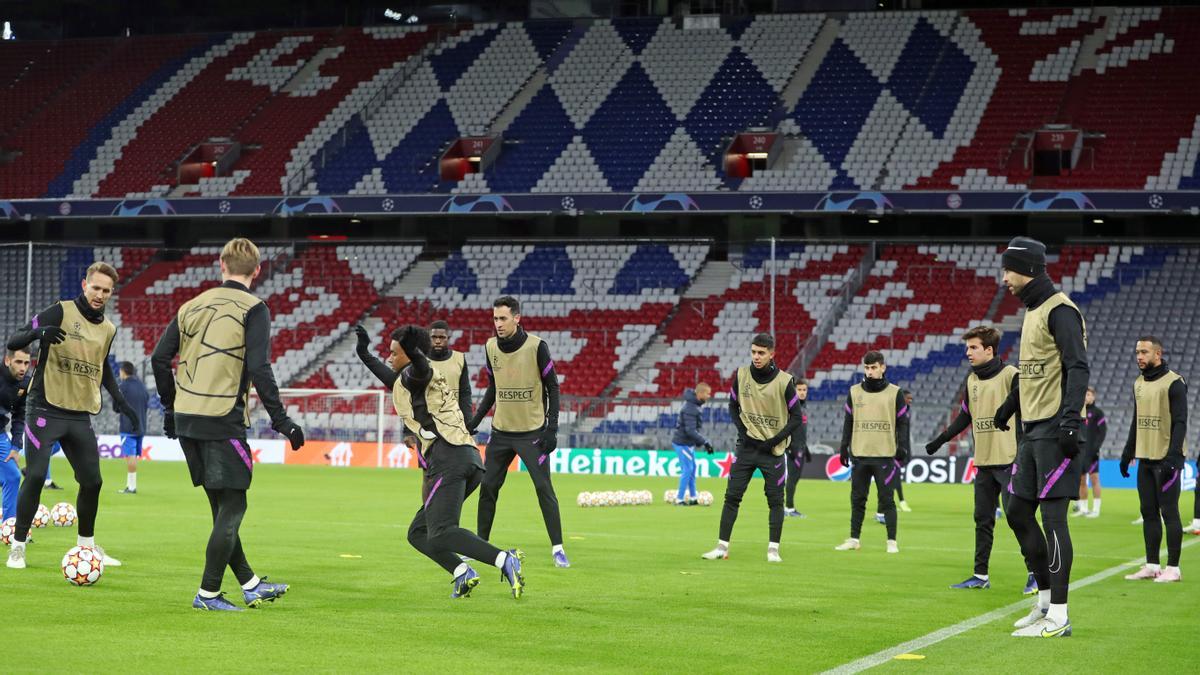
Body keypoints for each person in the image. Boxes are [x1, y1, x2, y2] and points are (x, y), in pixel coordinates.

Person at [151, 238, 305, 611]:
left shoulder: (191, 305)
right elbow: (258, 367)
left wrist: (171, 410)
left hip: (188, 418)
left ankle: (250, 584)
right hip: (222, 419)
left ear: (221, 265)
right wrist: (282, 421)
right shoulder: (254, 308)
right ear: (257, 270)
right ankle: (207, 593)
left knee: (221, 509)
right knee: (234, 507)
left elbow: (159, 358)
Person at [6, 262, 140, 570]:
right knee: (36, 475)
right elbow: (16, 339)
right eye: (96, 288)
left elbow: (103, 365)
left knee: (92, 481)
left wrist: (119, 399)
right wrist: (39, 332)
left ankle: (87, 548)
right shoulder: (60, 310)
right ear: (84, 284)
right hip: (45, 408)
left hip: (79, 414)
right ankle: (17, 547)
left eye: (106, 290)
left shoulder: (108, 328)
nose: (100, 294)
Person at [993, 236, 1089, 639]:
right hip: (1032, 430)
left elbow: (1077, 367)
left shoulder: (1060, 310)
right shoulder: (1032, 311)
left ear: (1029, 269)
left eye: (1009, 270)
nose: (1004, 279)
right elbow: (1034, 372)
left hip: (1054, 429)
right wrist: (1008, 406)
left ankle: (1061, 616)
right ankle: (1045, 601)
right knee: (1016, 512)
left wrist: (1070, 421)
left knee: (1052, 520)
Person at [388, 324, 526, 599]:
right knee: (418, 532)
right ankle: (462, 572)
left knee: (441, 533)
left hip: (449, 459)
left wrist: (413, 348)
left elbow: (417, 364)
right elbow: (387, 373)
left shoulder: (420, 373)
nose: (389, 357)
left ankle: (503, 559)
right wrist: (362, 352)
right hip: (467, 458)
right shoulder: (411, 381)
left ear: (410, 354)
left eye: (394, 352)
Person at [926, 326, 1035, 594]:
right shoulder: (972, 380)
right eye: (967, 347)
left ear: (989, 350)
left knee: (1018, 518)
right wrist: (941, 439)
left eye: (973, 347)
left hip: (1011, 460)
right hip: (983, 462)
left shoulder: (1012, 375)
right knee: (982, 519)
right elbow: (965, 416)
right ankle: (980, 575)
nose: (968, 352)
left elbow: (1027, 415)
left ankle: (1035, 573)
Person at [469, 296, 569, 568]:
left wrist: (552, 428)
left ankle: (558, 549)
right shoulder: (490, 347)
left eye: (503, 318)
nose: (498, 324)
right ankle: (481, 545)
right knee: (488, 488)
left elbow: (553, 388)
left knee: (543, 488)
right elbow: (494, 386)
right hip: (500, 433)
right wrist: (477, 418)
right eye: (495, 319)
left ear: (517, 318)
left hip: (532, 434)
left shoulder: (537, 346)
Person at [701, 333, 803, 562]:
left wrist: (774, 440)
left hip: (773, 451)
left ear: (771, 354)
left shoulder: (785, 381)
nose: (756, 357)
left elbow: (796, 418)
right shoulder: (742, 374)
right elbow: (732, 405)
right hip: (746, 448)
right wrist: (743, 431)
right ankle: (721, 547)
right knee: (732, 497)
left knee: (775, 500)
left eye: (761, 353)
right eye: (754, 352)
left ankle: (773, 549)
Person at [1120, 336, 1187, 583]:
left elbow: (1181, 422)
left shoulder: (1175, 382)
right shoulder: (1138, 382)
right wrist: (1128, 453)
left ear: (1157, 354)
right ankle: (1152, 565)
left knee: (1169, 511)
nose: (1139, 356)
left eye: (1144, 352)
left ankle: (1174, 568)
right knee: (1148, 511)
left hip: (1167, 460)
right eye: (1137, 351)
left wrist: (1173, 456)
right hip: (1145, 458)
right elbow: (1137, 421)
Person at [834, 351, 910, 554]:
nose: (870, 371)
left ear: (883, 368)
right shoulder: (854, 391)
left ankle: (892, 542)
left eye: (874, 367)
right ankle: (854, 539)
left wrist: (902, 446)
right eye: (866, 368)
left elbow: (903, 422)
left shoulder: (895, 393)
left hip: (885, 454)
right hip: (860, 453)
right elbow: (848, 421)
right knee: (857, 499)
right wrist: (843, 446)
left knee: (887, 500)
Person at [0, 348, 30, 521]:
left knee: (13, 476)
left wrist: (16, 446)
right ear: (7, 361)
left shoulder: (25, 383)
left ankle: (9, 527)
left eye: (26, 363)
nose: (23, 367)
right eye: (18, 362)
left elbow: (19, 415)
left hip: (0, 434)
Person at [672, 382, 713, 506]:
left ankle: (694, 497)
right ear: (700, 393)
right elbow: (690, 430)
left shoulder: (693, 406)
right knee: (688, 469)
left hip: (687, 443)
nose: (709, 396)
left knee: (692, 469)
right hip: (682, 443)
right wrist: (705, 442)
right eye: (707, 393)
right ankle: (679, 499)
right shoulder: (691, 408)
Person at [428, 320, 473, 423]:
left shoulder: (459, 359)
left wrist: (468, 422)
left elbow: (465, 393)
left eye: (442, 337)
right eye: (434, 337)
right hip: (427, 424)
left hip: (453, 423)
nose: (438, 341)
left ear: (448, 338)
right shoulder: (421, 360)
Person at [116, 361, 149, 495]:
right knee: (133, 455)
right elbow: (147, 403)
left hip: (127, 427)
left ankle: (131, 487)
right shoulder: (142, 386)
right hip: (141, 425)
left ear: (123, 371)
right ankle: (130, 485)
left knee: (130, 456)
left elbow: (116, 405)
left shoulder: (123, 386)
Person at [1072, 387, 1105, 518]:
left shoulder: (1098, 413)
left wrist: (1095, 449)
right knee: (1081, 481)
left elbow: (1102, 433)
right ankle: (1083, 509)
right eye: (1085, 394)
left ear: (1093, 397)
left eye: (1089, 394)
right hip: (1080, 453)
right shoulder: (1079, 412)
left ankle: (1096, 510)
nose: (1086, 397)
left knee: (1094, 479)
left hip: (1092, 453)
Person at [784, 378, 811, 518]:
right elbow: (786, 428)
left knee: (795, 478)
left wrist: (805, 447)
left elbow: (801, 430)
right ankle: (788, 508)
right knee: (792, 478)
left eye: (804, 390)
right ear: (794, 391)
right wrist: (789, 447)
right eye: (799, 390)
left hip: (800, 447)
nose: (802, 392)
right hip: (792, 448)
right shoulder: (791, 408)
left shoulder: (803, 407)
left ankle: (787, 507)